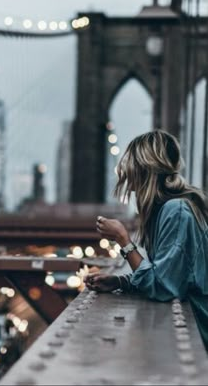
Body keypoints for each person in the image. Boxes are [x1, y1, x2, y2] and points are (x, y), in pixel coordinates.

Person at [85, 129, 208, 351]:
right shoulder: (167, 209)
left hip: (201, 331)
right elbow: (171, 276)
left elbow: (163, 288)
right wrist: (121, 282)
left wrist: (123, 239)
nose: (124, 170)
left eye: (130, 162)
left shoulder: (176, 210)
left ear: (145, 167)